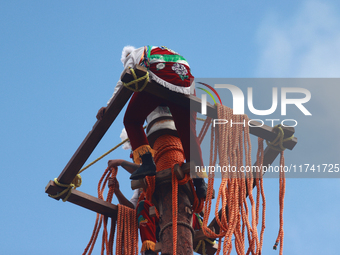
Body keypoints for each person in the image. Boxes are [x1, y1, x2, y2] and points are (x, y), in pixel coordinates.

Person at [97, 45, 204, 187]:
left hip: (159, 81)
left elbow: (124, 81)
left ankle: (147, 162)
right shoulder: (167, 51)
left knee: (131, 120)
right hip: (185, 86)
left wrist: (109, 106)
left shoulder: (134, 54)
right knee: (188, 133)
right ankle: (200, 181)